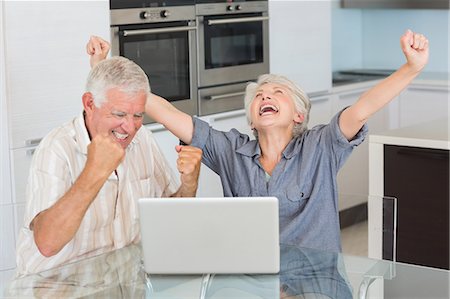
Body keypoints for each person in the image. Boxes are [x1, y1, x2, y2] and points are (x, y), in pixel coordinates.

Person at [87, 30, 429, 253]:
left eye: (278, 92)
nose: (266, 96)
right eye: (259, 95)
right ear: (252, 118)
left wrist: (411, 68)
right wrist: (106, 70)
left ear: (298, 115)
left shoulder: (321, 146)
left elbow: (364, 108)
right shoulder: (229, 150)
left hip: (315, 283)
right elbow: (161, 109)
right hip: (252, 281)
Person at [15, 56, 203, 277]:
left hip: (120, 284)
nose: (130, 127)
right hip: (55, 288)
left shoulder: (143, 139)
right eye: (120, 114)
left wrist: (188, 186)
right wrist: (94, 171)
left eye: (138, 116)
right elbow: (47, 243)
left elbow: (168, 222)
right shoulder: (57, 148)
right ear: (90, 104)